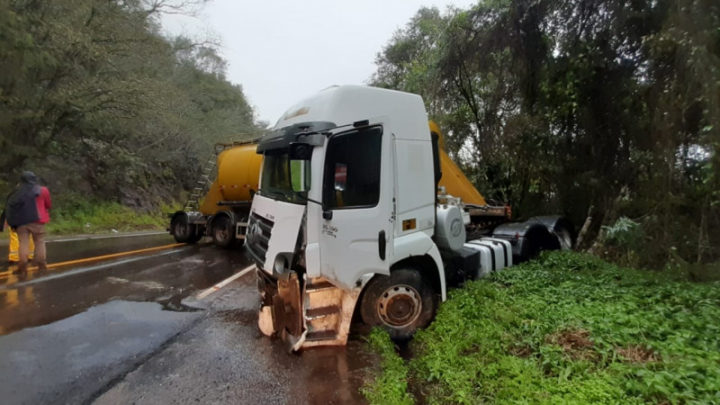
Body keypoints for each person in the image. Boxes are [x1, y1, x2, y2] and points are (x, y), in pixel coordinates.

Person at [5, 171, 51, 274]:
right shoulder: (43, 190)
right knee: (39, 242)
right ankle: (42, 265)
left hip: (22, 221)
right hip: (38, 221)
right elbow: (48, 205)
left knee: (23, 244)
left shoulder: (18, 191)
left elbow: (12, 205)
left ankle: (22, 267)